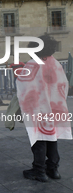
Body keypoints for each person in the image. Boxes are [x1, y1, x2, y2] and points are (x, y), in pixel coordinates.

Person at [16, 35, 72, 182]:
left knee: (39, 139)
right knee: (52, 138)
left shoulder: (33, 64)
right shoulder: (55, 63)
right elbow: (64, 85)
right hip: (55, 108)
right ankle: (53, 169)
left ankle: (39, 171)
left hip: (38, 109)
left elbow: (23, 86)